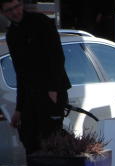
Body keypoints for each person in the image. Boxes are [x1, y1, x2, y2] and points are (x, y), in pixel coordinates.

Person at [1, 0, 72, 154]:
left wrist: (53, 89)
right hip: (30, 94)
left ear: (22, 5)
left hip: (50, 90)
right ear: (4, 13)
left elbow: (57, 57)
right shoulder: (12, 34)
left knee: (50, 138)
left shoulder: (41, 22)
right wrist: (19, 108)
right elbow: (20, 72)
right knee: (29, 138)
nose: (15, 12)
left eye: (16, 7)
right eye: (9, 10)